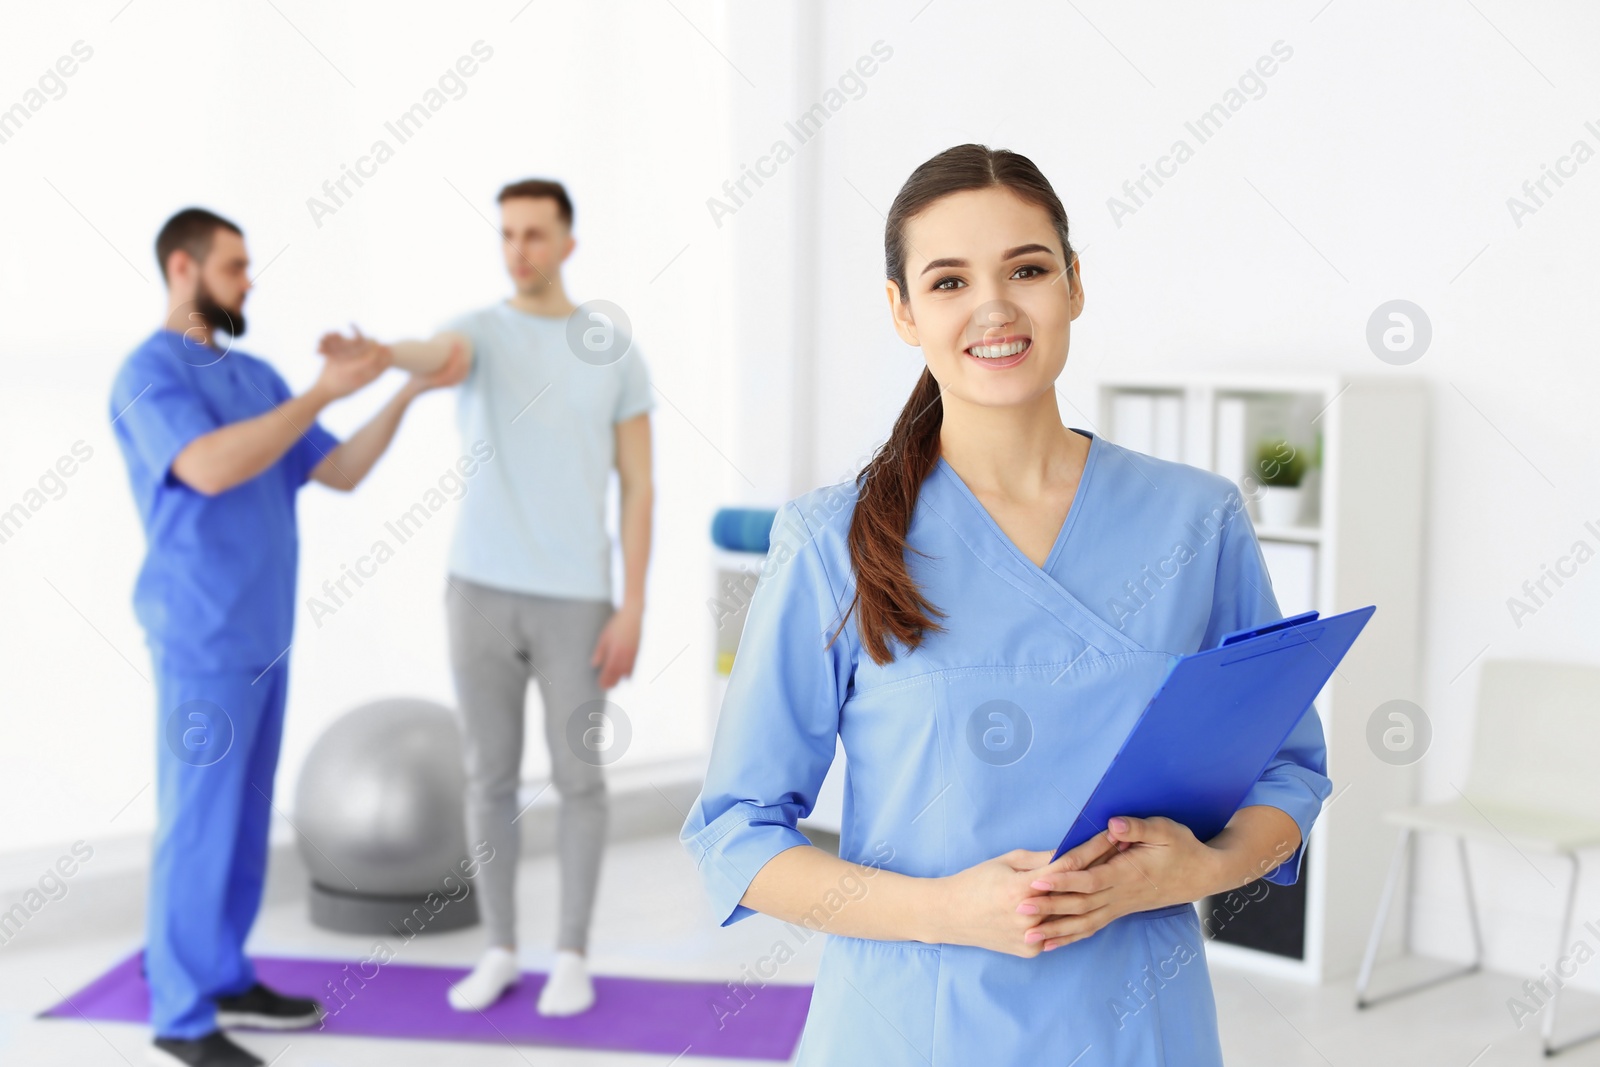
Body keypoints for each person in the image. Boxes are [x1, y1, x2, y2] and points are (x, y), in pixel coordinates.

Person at [679, 145, 1333, 1065]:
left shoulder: (1197, 519)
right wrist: (946, 909)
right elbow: (736, 832)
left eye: (1026, 268)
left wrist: (1208, 867)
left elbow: (1289, 773)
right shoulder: (832, 540)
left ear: (1073, 283)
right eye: (948, 281)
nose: (994, 307)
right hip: (909, 1024)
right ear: (904, 311)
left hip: (1138, 1025)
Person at [110, 208, 465, 1067]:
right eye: (235, 266)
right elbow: (205, 466)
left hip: (262, 634)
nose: (249, 281)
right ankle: (182, 1013)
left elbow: (336, 468)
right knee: (197, 821)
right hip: (200, 634)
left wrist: (405, 388)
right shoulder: (148, 373)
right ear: (184, 268)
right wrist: (319, 393)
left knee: (239, 821)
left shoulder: (258, 376)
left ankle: (224, 972)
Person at [318, 178, 654, 1016]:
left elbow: (640, 488)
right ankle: (501, 947)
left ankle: (571, 951)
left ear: (568, 243)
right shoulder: (479, 334)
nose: (520, 250)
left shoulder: (611, 348)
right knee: (487, 778)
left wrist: (634, 604)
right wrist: (384, 354)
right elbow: (434, 354)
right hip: (477, 592)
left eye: (536, 235)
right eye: (508, 234)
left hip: (576, 598)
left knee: (580, 782)